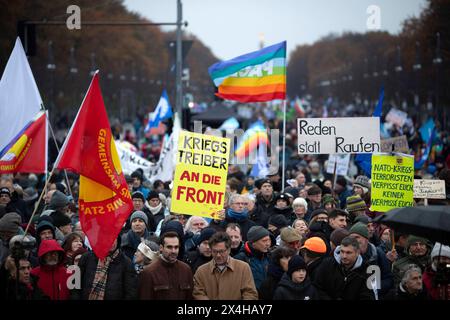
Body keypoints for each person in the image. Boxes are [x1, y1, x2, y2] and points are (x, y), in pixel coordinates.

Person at [192, 232, 258, 300]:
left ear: (229, 250)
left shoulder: (243, 268)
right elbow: (198, 293)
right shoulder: (201, 271)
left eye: (221, 251)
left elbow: (250, 293)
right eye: (214, 251)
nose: (218, 255)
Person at [139, 231, 193, 300]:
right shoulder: (149, 272)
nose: (173, 251)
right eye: (169, 247)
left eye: (176, 247)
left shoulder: (186, 270)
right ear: (161, 248)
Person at [349, 222, 393, 296]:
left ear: (366, 238)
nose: (353, 240)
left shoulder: (377, 253)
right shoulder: (346, 254)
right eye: (351, 238)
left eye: (357, 237)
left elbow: (388, 278)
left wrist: (375, 289)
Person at [235, 226, 271, 293]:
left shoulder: (269, 256)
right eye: (264, 241)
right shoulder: (240, 259)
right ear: (253, 243)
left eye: (269, 240)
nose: (268, 244)